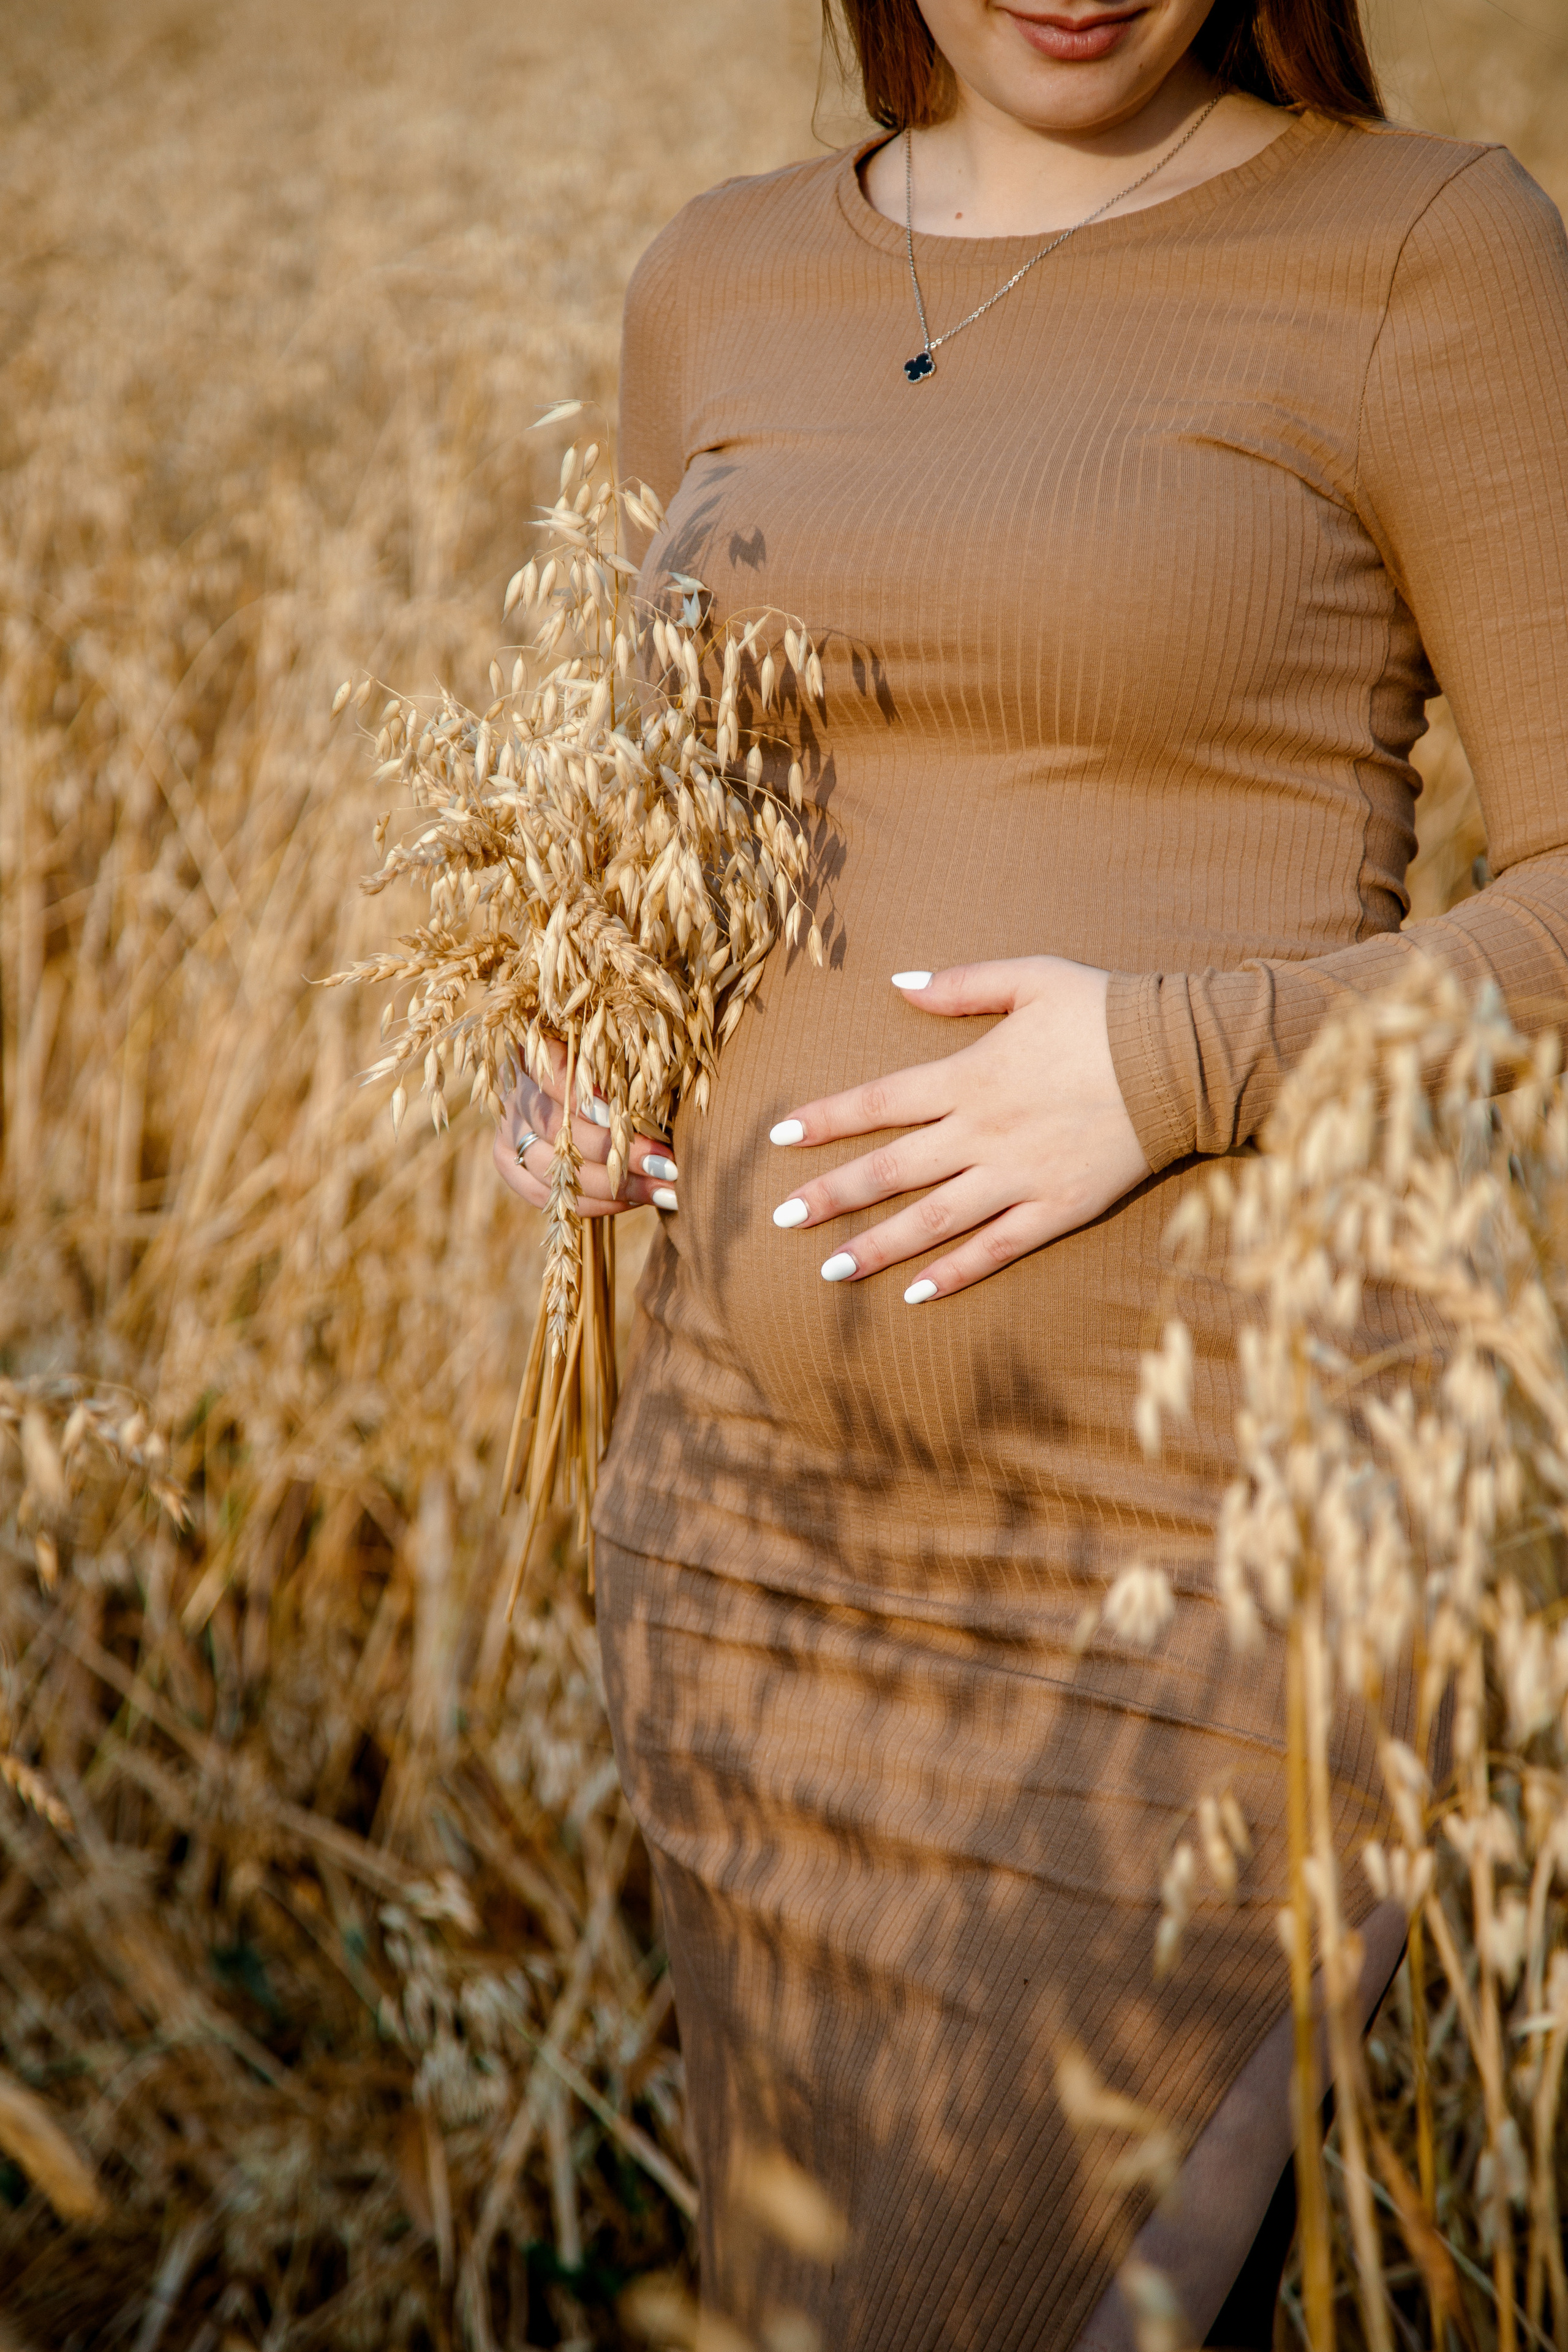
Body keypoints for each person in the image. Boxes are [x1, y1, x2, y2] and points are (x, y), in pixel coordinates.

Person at [495, 1, 1568, 2343]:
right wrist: (578, 1042)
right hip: (751, 1565)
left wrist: (1171, 1062)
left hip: (1208, 1571)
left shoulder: (1426, 246)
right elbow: (666, 830)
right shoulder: (718, 277)